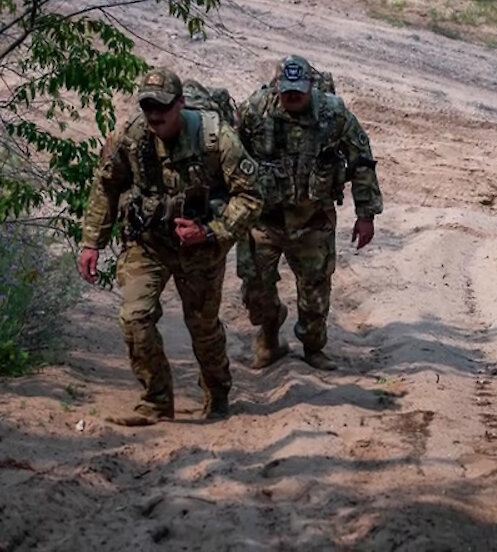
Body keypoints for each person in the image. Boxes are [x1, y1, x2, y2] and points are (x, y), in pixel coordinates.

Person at [77, 68, 262, 426]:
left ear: (180, 104)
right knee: (135, 318)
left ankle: (218, 392)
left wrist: (211, 230)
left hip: (201, 247)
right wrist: (91, 242)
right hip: (148, 243)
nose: (154, 115)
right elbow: (106, 186)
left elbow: (252, 198)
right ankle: (156, 400)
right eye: (147, 106)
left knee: (203, 327)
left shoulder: (216, 139)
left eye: (162, 106)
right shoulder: (131, 137)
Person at [235, 55, 383, 371]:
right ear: (276, 87)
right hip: (264, 219)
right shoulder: (254, 111)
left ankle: (314, 348)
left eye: (298, 91)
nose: (292, 97)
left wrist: (366, 213)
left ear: (310, 87)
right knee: (254, 287)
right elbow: (229, 155)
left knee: (315, 292)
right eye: (286, 90)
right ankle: (270, 332)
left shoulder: (334, 113)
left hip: (313, 219)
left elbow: (361, 159)